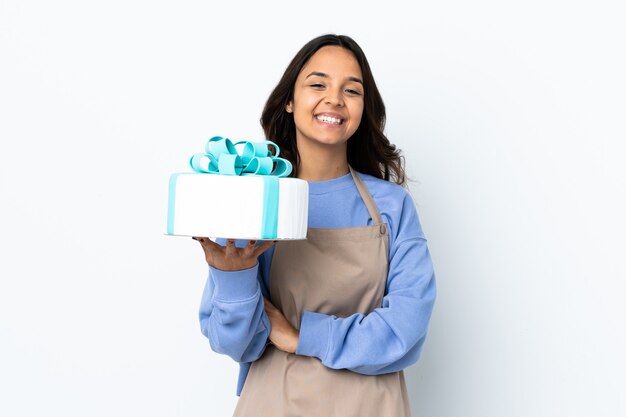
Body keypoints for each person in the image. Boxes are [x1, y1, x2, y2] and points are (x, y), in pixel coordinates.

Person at [192, 34, 436, 417]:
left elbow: (404, 333)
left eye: (351, 90)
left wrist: (300, 336)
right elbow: (234, 344)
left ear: (362, 107)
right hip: (273, 403)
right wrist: (233, 279)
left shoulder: (392, 205)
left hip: (371, 406)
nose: (334, 99)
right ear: (289, 100)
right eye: (318, 84)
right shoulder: (255, 200)